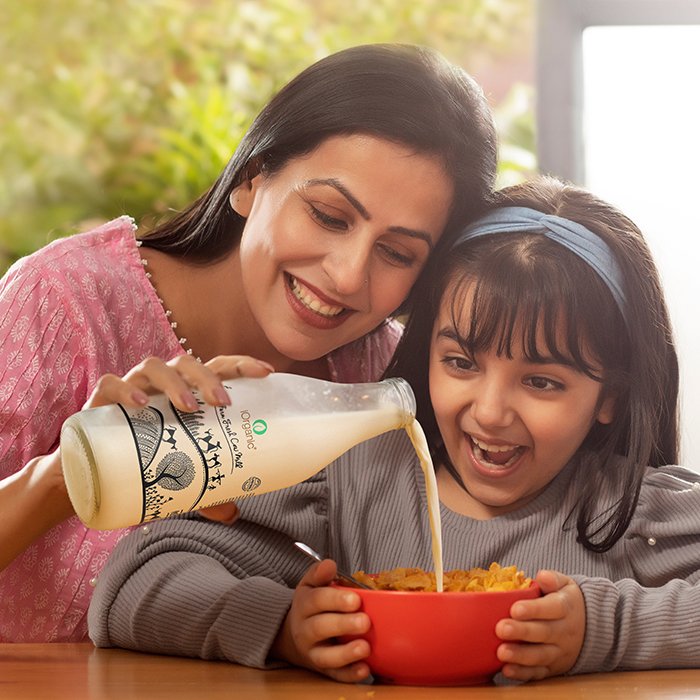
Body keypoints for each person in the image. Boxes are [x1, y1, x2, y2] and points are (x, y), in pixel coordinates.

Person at [87, 175, 700, 684]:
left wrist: (609, 629)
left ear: (609, 399)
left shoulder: (630, 514)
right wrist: (281, 627)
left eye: (541, 382)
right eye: (460, 363)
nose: (489, 412)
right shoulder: (359, 477)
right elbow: (133, 580)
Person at [0, 43, 498, 642]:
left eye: (397, 253)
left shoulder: (380, 381)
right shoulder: (67, 305)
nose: (346, 276)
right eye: (329, 215)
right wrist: (64, 475)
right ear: (250, 179)